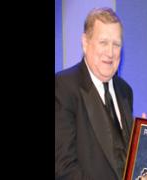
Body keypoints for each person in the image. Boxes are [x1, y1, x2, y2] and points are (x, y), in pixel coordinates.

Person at [55, 7, 134, 179]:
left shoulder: (125, 91)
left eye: (116, 44)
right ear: (85, 42)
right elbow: (64, 167)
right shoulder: (63, 87)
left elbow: (127, 161)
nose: (110, 52)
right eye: (103, 42)